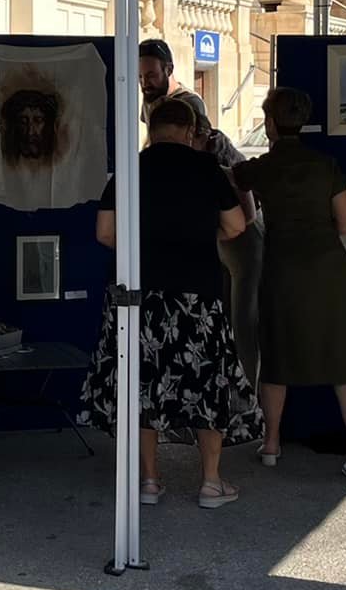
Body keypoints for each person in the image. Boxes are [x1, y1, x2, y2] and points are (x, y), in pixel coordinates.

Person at [82, 95, 263, 509]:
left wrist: (146, 244)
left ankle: (149, 480)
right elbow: (237, 225)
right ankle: (211, 482)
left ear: (152, 129)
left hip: (140, 295)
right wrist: (200, 237)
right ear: (189, 130)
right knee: (207, 384)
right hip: (198, 295)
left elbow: (105, 233)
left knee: (144, 384)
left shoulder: (131, 169)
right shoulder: (206, 168)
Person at [234, 87, 346, 477]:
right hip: (329, 269)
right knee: (344, 358)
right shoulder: (326, 166)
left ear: (270, 123)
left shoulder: (261, 168)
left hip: (282, 268)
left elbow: (235, 180)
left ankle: (271, 443)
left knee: (276, 354)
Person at [137, 38, 263, 390]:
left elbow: (244, 217)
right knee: (221, 319)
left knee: (240, 322)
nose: (145, 82)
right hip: (219, 238)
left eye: (151, 75)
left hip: (238, 237)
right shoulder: (154, 108)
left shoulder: (208, 155)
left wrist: (206, 228)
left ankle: (244, 393)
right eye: (141, 76)